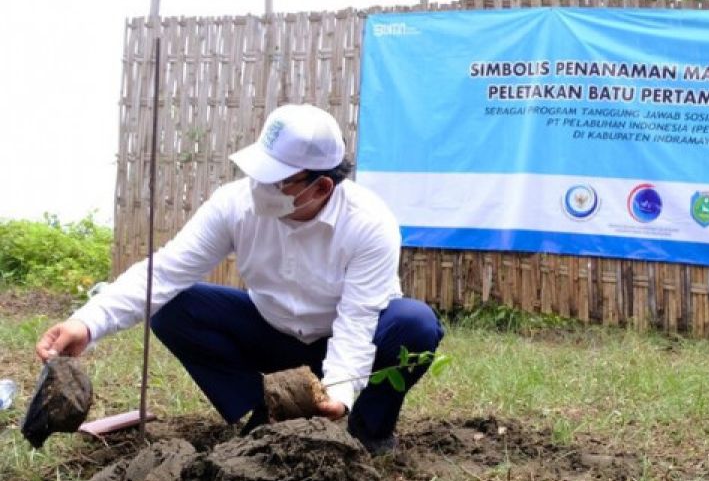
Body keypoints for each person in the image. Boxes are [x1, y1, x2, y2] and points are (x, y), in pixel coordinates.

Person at [36, 103, 443, 455]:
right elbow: (164, 272)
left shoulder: (369, 224)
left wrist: (337, 396)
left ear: (320, 186)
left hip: (351, 342)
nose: (257, 186)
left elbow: (357, 322)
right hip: (272, 333)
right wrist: (86, 324)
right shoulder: (234, 205)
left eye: (275, 179)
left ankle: (368, 431)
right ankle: (264, 414)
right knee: (175, 307)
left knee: (415, 325)